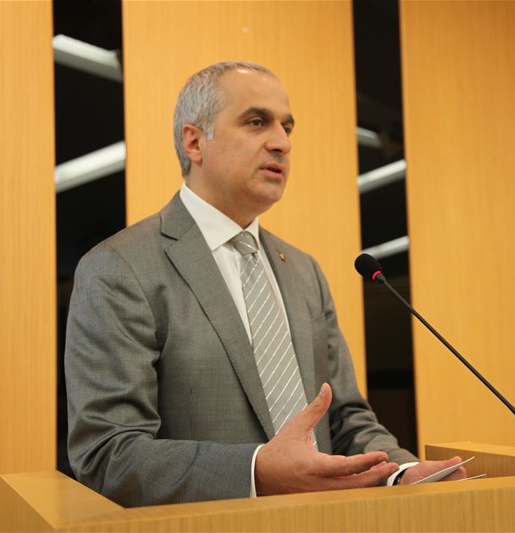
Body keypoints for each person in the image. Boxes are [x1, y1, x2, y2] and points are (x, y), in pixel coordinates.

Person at [65, 61, 466, 507]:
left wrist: (402, 473)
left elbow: (345, 419)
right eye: (257, 122)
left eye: (286, 127)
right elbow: (108, 456)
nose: (282, 143)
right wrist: (256, 471)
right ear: (194, 142)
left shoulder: (304, 271)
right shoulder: (121, 268)